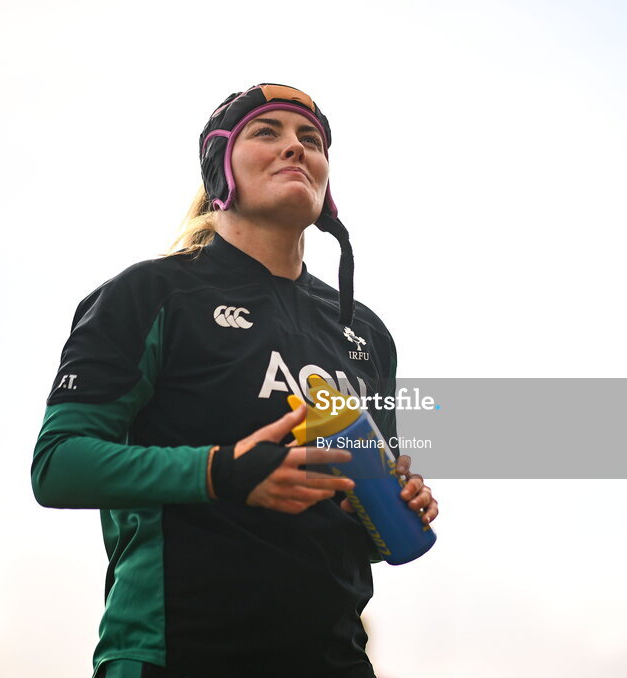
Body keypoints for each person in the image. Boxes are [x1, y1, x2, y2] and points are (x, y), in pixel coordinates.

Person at [32, 83, 439, 678]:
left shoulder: (366, 332)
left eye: (311, 140)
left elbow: (356, 522)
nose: (295, 148)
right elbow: (58, 465)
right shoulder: (149, 294)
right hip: (175, 654)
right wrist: (221, 471)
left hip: (335, 660)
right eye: (267, 133)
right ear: (220, 168)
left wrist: (396, 507)